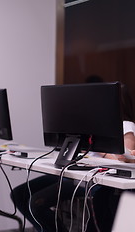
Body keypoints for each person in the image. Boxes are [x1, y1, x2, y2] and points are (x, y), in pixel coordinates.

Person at [11, 82, 135, 232]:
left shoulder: (126, 125)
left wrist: (101, 150)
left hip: (89, 182)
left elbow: (123, 159)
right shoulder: (97, 125)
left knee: (36, 204)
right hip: (76, 175)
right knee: (20, 194)